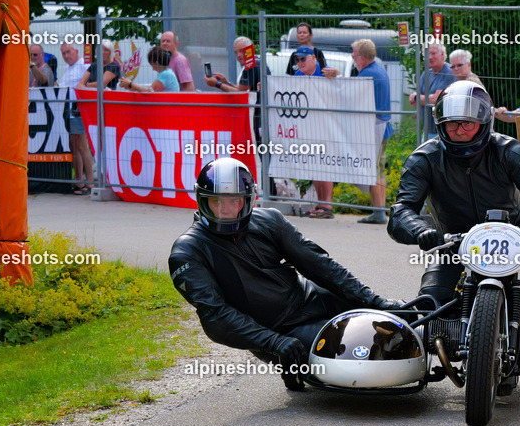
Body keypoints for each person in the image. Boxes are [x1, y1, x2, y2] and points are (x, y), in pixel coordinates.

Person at [387, 80, 520, 380]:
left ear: (483, 122)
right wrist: (419, 230)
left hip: (515, 230)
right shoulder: (424, 158)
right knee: (429, 308)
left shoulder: (508, 150)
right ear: (441, 124)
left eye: (467, 123)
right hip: (454, 240)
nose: (460, 131)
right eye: (452, 124)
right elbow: (401, 209)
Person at [168, 158, 403, 390]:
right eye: (216, 201)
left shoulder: (270, 220)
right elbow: (215, 316)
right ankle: (296, 363)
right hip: (277, 331)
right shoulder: (187, 252)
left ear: (247, 200)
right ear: (202, 201)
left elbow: (318, 264)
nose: (225, 210)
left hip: (310, 298)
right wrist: (273, 342)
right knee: (358, 353)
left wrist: (375, 300)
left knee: (394, 319)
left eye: (234, 200)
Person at [290, 45, 334, 219]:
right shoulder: (298, 75)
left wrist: (336, 74)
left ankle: (327, 205)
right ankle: (320, 203)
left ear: (313, 59)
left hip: (326, 126)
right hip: (308, 127)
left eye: (303, 59)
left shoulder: (325, 73)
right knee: (315, 165)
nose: (299, 63)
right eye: (297, 60)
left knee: (326, 165)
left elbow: (341, 84)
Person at [352, 39, 393, 225]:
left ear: (361, 57)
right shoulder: (378, 69)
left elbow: (351, 97)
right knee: (379, 170)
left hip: (376, 127)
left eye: (354, 54)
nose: (353, 58)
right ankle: (379, 210)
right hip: (382, 126)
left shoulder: (367, 75)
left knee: (374, 171)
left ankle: (378, 212)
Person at [204, 36, 263, 143]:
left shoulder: (252, 65)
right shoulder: (255, 62)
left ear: (250, 49)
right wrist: (227, 82)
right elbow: (243, 89)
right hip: (257, 114)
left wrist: (217, 84)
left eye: (241, 51)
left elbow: (241, 93)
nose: (239, 55)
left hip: (257, 116)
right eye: (236, 52)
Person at [57, 43, 91, 195]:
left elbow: (88, 86)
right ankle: (79, 180)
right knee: (74, 147)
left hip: (79, 111)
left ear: (76, 51)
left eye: (68, 52)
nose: (66, 56)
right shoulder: (67, 69)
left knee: (82, 146)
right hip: (68, 111)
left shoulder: (84, 65)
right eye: (63, 53)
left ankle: (89, 181)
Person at [409, 42, 456, 138]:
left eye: (433, 53)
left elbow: (436, 100)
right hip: (427, 130)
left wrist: (418, 98)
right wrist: (423, 99)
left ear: (442, 54)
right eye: (427, 54)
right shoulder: (426, 74)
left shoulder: (449, 72)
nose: (430, 57)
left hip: (444, 131)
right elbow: (413, 102)